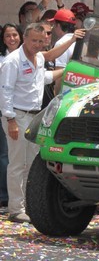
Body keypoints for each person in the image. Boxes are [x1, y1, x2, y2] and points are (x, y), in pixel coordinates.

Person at [0, 23, 63, 223]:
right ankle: (16, 208)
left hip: (34, 116)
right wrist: (10, 120)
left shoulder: (39, 58)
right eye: (34, 40)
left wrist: (67, 70)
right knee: (17, 163)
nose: (37, 44)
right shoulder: (12, 61)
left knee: (32, 163)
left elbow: (42, 79)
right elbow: (5, 91)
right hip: (17, 116)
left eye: (41, 41)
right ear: (24, 39)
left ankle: (29, 204)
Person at [0, 23, 23, 209]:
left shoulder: (31, 57)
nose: (12, 39)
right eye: (8, 36)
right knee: (6, 156)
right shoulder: (5, 60)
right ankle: (6, 197)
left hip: (23, 113)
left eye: (15, 34)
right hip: (9, 114)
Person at [49, 9, 77, 95]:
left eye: (54, 24)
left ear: (58, 25)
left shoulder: (61, 43)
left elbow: (59, 75)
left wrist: (56, 97)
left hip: (66, 92)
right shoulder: (80, 40)